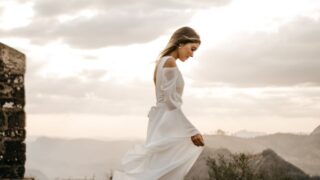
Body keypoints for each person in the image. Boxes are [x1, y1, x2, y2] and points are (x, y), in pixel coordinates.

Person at [112, 26, 205, 180]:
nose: (192, 54)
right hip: (167, 121)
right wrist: (192, 130)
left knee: (158, 168)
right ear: (181, 43)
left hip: (161, 120)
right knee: (161, 170)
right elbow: (170, 102)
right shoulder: (169, 62)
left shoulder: (161, 61)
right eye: (192, 48)